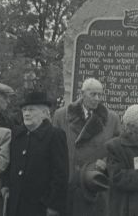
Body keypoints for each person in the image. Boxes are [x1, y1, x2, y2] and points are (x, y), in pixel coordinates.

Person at [52, 78, 121, 216]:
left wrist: (106, 163)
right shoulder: (61, 115)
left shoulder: (112, 119)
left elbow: (117, 150)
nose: (97, 99)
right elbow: (53, 150)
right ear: (82, 94)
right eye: (93, 94)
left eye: (100, 95)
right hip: (69, 183)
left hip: (95, 183)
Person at [2, 90, 69, 216]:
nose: (26, 114)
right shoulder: (17, 134)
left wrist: (53, 206)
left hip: (40, 207)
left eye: (31, 110)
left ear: (44, 113)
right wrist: (5, 185)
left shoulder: (54, 135)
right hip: (16, 204)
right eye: (24, 110)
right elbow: (10, 163)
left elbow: (60, 174)